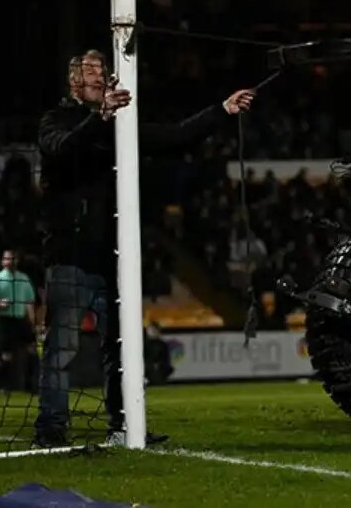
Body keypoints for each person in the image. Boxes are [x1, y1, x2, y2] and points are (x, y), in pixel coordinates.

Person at [33, 49, 255, 448]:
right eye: (90, 71)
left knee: (122, 350)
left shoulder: (121, 124)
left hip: (116, 258)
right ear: (73, 82)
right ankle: (50, 429)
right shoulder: (57, 120)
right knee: (62, 347)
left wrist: (221, 110)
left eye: (102, 70)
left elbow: (175, 135)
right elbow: (62, 149)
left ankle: (124, 426)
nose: (98, 76)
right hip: (71, 255)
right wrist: (100, 118)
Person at [0, 249, 37, 392]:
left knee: (31, 350)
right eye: (7, 259)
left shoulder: (24, 278)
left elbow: (29, 301)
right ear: (2, 261)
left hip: (21, 319)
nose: (10, 261)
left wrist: (32, 320)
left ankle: (29, 383)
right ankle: (5, 385)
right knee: (6, 354)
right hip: (5, 320)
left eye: (13, 259)